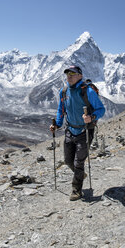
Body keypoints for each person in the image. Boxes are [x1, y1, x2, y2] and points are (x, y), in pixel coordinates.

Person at [50, 65, 105, 201]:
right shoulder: (64, 91)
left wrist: (91, 117)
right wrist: (57, 124)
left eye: (73, 73)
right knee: (68, 161)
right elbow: (60, 110)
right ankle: (80, 174)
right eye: (67, 74)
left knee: (78, 162)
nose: (69, 76)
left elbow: (101, 109)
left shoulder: (87, 91)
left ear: (80, 76)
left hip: (85, 131)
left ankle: (77, 190)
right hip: (70, 130)